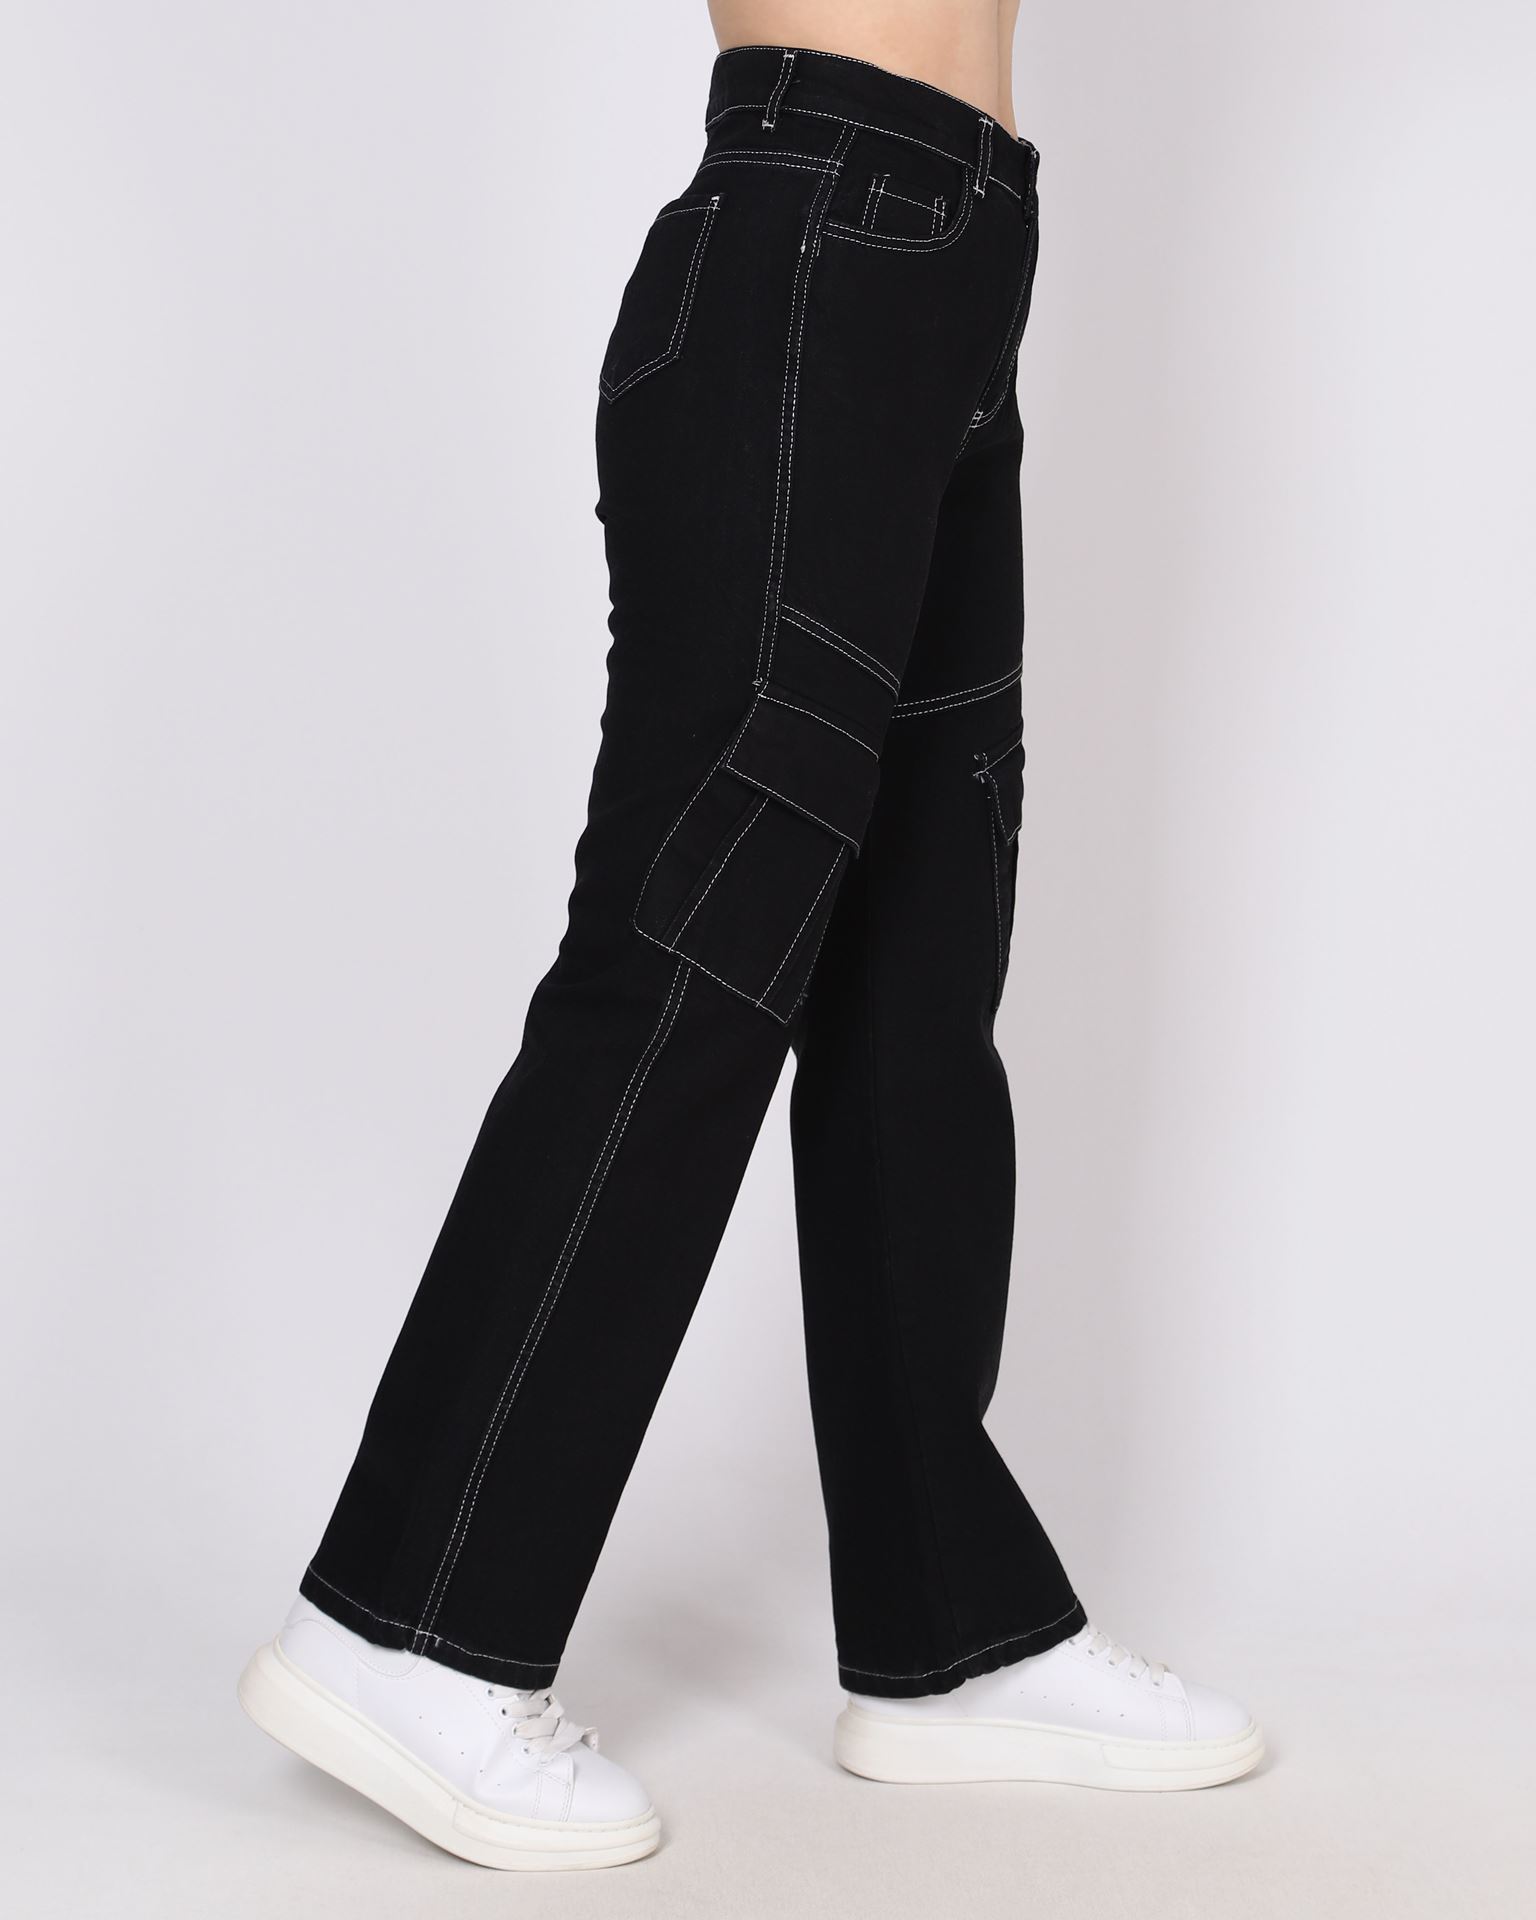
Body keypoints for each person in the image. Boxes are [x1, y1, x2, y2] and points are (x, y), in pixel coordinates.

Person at [238, 6, 1262, 1872]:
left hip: (951, 271)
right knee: (695, 947)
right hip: (820, 240)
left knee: (914, 971)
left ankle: (951, 1635)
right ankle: (407, 1623)